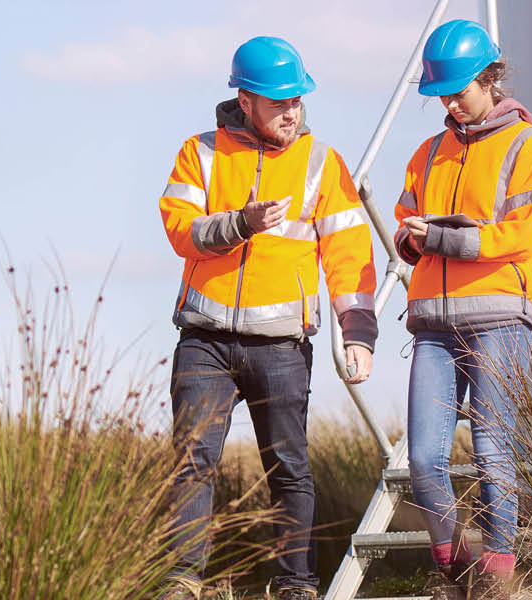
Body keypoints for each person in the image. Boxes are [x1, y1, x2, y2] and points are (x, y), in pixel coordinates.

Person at [158, 36, 379, 600]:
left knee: (288, 467)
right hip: (203, 341)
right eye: (279, 102)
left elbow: (350, 255)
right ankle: (182, 581)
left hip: (281, 347)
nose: (291, 111)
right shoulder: (199, 152)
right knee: (191, 461)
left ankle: (294, 584)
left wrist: (358, 333)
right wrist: (239, 223)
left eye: (297, 100)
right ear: (246, 99)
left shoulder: (323, 164)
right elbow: (181, 231)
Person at [394, 19, 532, 600]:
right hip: (433, 323)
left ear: (490, 79)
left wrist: (444, 239)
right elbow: (404, 227)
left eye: (458, 91)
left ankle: (499, 579)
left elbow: (520, 233)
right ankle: (455, 571)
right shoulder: (427, 151)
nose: (451, 104)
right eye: (442, 94)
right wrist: (413, 239)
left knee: (491, 451)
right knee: (423, 459)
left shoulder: (527, 145)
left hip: (500, 316)